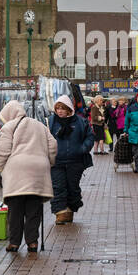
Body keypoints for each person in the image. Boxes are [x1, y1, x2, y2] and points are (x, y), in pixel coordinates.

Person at [0, 100, 57, 252]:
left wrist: (1, 169)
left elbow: (2, 151)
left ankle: (14, 243)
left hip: (16, 172)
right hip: (38, 171)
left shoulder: (8, 127)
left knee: (15, 209)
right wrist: (48, 162)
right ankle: (32, 242)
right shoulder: (40, 125)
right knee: (33, 209)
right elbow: (53, 145)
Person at [48, 95, 95, 224]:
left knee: (72, 187)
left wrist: (82, 148)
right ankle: (60, 213)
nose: (60, 111)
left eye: (62, 108)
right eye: (57, 108)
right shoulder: (51, 121)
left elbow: (90, 137)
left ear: (69, 109)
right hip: (56, 162)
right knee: (58, 187)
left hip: (75, 162)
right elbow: (45, 137)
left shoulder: (80, 122)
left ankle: (69, 210)